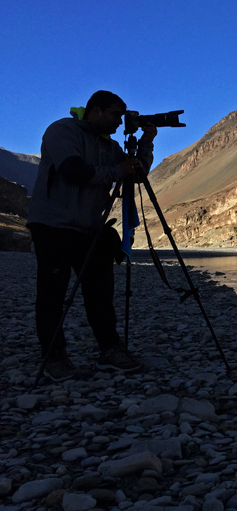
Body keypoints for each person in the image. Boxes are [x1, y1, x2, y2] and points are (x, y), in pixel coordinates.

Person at [26, 90, 157, 381]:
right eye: (114, 115)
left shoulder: (109, 147)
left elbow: (134, 175)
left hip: (90, 228)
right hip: (52, 226)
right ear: (94, 111)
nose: (118, 122)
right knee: (52, 294)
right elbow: (74, 171)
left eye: (122, 116)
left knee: (100, 292)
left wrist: (145, 146)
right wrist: (116, 169)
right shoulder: (62, 131)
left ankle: (110, 350)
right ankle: (54, 357)